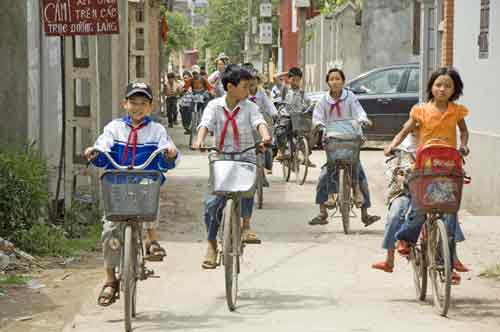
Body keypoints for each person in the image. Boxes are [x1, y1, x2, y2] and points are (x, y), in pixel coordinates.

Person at [84, 81, 180, 306]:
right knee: (109, 231)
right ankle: (110, 280)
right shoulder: (114, 128)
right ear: (124, 104)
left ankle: (151, 239)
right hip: (117, 186)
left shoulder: (156, 130)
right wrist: (94, 151)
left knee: (150, 196)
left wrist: (169, 153)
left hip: (144, 183)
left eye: (143, 103)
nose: (138, 107)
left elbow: (168, 152)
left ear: (150, 107)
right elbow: (103, 145)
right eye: (133, 102)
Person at [385, 67, 471, 284]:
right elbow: (405, 131)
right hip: (424, 167)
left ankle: (449, 261)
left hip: (448, 167)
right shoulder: (421, 111)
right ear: (431, 87)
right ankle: (405, 239)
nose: (442, 89)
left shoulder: (456, 111)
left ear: (454, 90)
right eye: (438, 85)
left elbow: (464, 131)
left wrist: (464, 145)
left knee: (450, 212)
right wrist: (392, 145)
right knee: (419, 207)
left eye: (448, 85)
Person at [192, 64, 272, 269]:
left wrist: (265, 136)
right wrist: (199, 140)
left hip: (245, 156)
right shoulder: (214, 106)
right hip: (221, 159)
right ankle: (211, 244)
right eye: (245, 86)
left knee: (246, 189)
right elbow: (205, 125)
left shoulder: (250, 106)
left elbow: (259, 122)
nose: (248, 90)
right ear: (230, 87)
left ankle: (246, 225)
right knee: (212, 204)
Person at [309, 68, 380, 227]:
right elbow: (317, 117)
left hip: (351, 138)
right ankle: (322, 212)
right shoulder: (323, 101)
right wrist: (319, 125)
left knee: (359, 174)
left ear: (343, 81)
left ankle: (365, 213)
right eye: (331, 79)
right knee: (323, 177)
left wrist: (363, 120)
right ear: (327, 82)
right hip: (333, 141)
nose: (335, 82)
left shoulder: (351, 97)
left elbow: (359, 112)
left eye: (338, 79)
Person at [275, 67, 314, 166]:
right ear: (289, 79)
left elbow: (309, 102)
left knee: (308, 133)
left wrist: (311, 106)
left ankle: (306, 157)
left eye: (297, 80)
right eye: (293, 79)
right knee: (281, 131)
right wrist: (287, 72)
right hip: (286, 115)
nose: (295, 82)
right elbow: (275, 77)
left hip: (298, 117)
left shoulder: (302, 92)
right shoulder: (285, 89)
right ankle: (281, 151)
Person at [248, 68, 278, 175]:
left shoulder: (262, 93)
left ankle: (267, 165)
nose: (252, 82)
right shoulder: (243, 93)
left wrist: (274, 113)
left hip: (261, 122)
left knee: (267, 144)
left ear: (257, 81)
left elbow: (269, 104)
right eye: (249, 79)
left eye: (254, 79)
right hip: (247, 123)